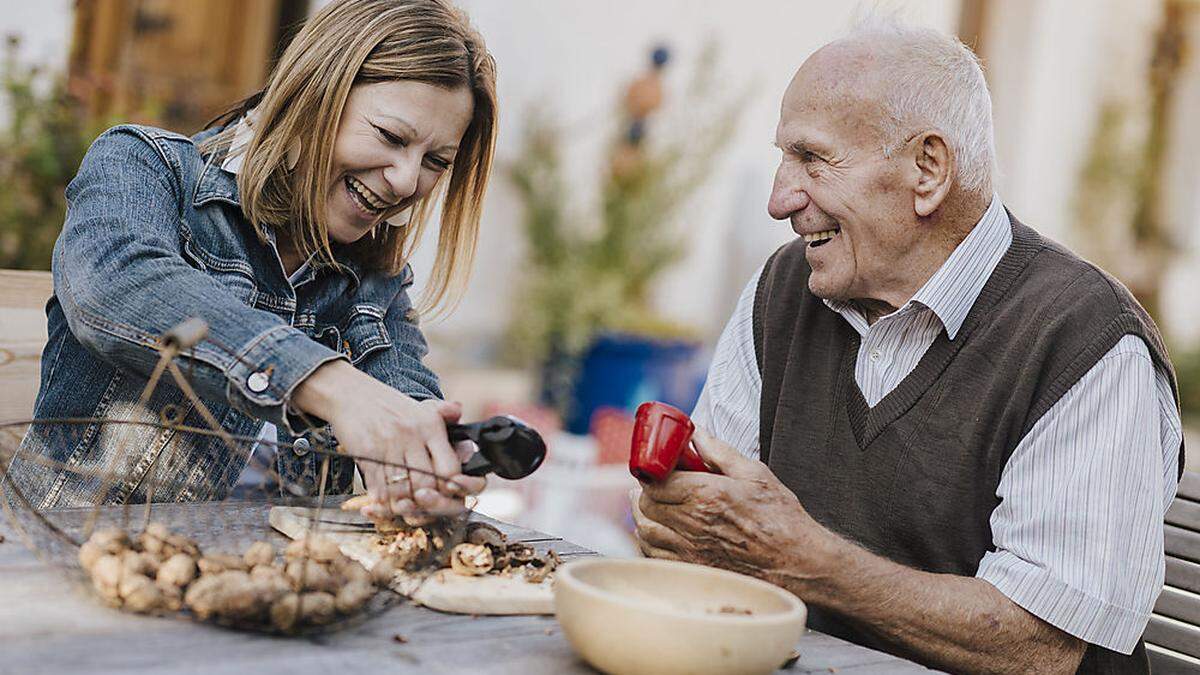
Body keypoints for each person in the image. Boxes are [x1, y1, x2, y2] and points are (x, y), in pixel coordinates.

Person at [632, 19, 1184, 674]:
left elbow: (1038, 643)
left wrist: (804, 558)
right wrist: (686, 523)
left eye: (812, 158)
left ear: (928, 169)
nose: (781, 199)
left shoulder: (1085, 341)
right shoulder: (785, 289)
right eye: (784, 158)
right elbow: (720, 542)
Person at [9, 0, 497, 521]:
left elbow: (404, 392)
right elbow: (117, 283)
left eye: (435, 162)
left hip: (267, 583)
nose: (406, 179)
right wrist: (330, 385)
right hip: (73, 559)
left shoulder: (374, 277)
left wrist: (432, 452)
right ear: (315, 97)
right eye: (391, 137)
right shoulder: (145, 166)